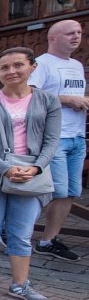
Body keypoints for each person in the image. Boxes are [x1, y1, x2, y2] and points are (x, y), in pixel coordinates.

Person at [0, 47, 61, 300]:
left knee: (21, 232)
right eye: (5, 67)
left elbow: (52, 140)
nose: (11, 71)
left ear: (32, 67)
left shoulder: (48, 101)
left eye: (18, 65)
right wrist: (5, 168)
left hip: (31, 174)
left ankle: (20, 284)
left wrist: (37, 167)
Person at [28, 19, 87, 261]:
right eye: (69, 33)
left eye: (79, 33)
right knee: (53, 190)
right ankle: (14, 230)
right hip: (54, 136)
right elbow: (31, 92)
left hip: (77, 134)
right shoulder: (42, 64)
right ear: (53, 38)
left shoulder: (77, 65)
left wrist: (82, 99)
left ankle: (47, 240)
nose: (76, 37)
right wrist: (67, 100)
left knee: (71, 191)